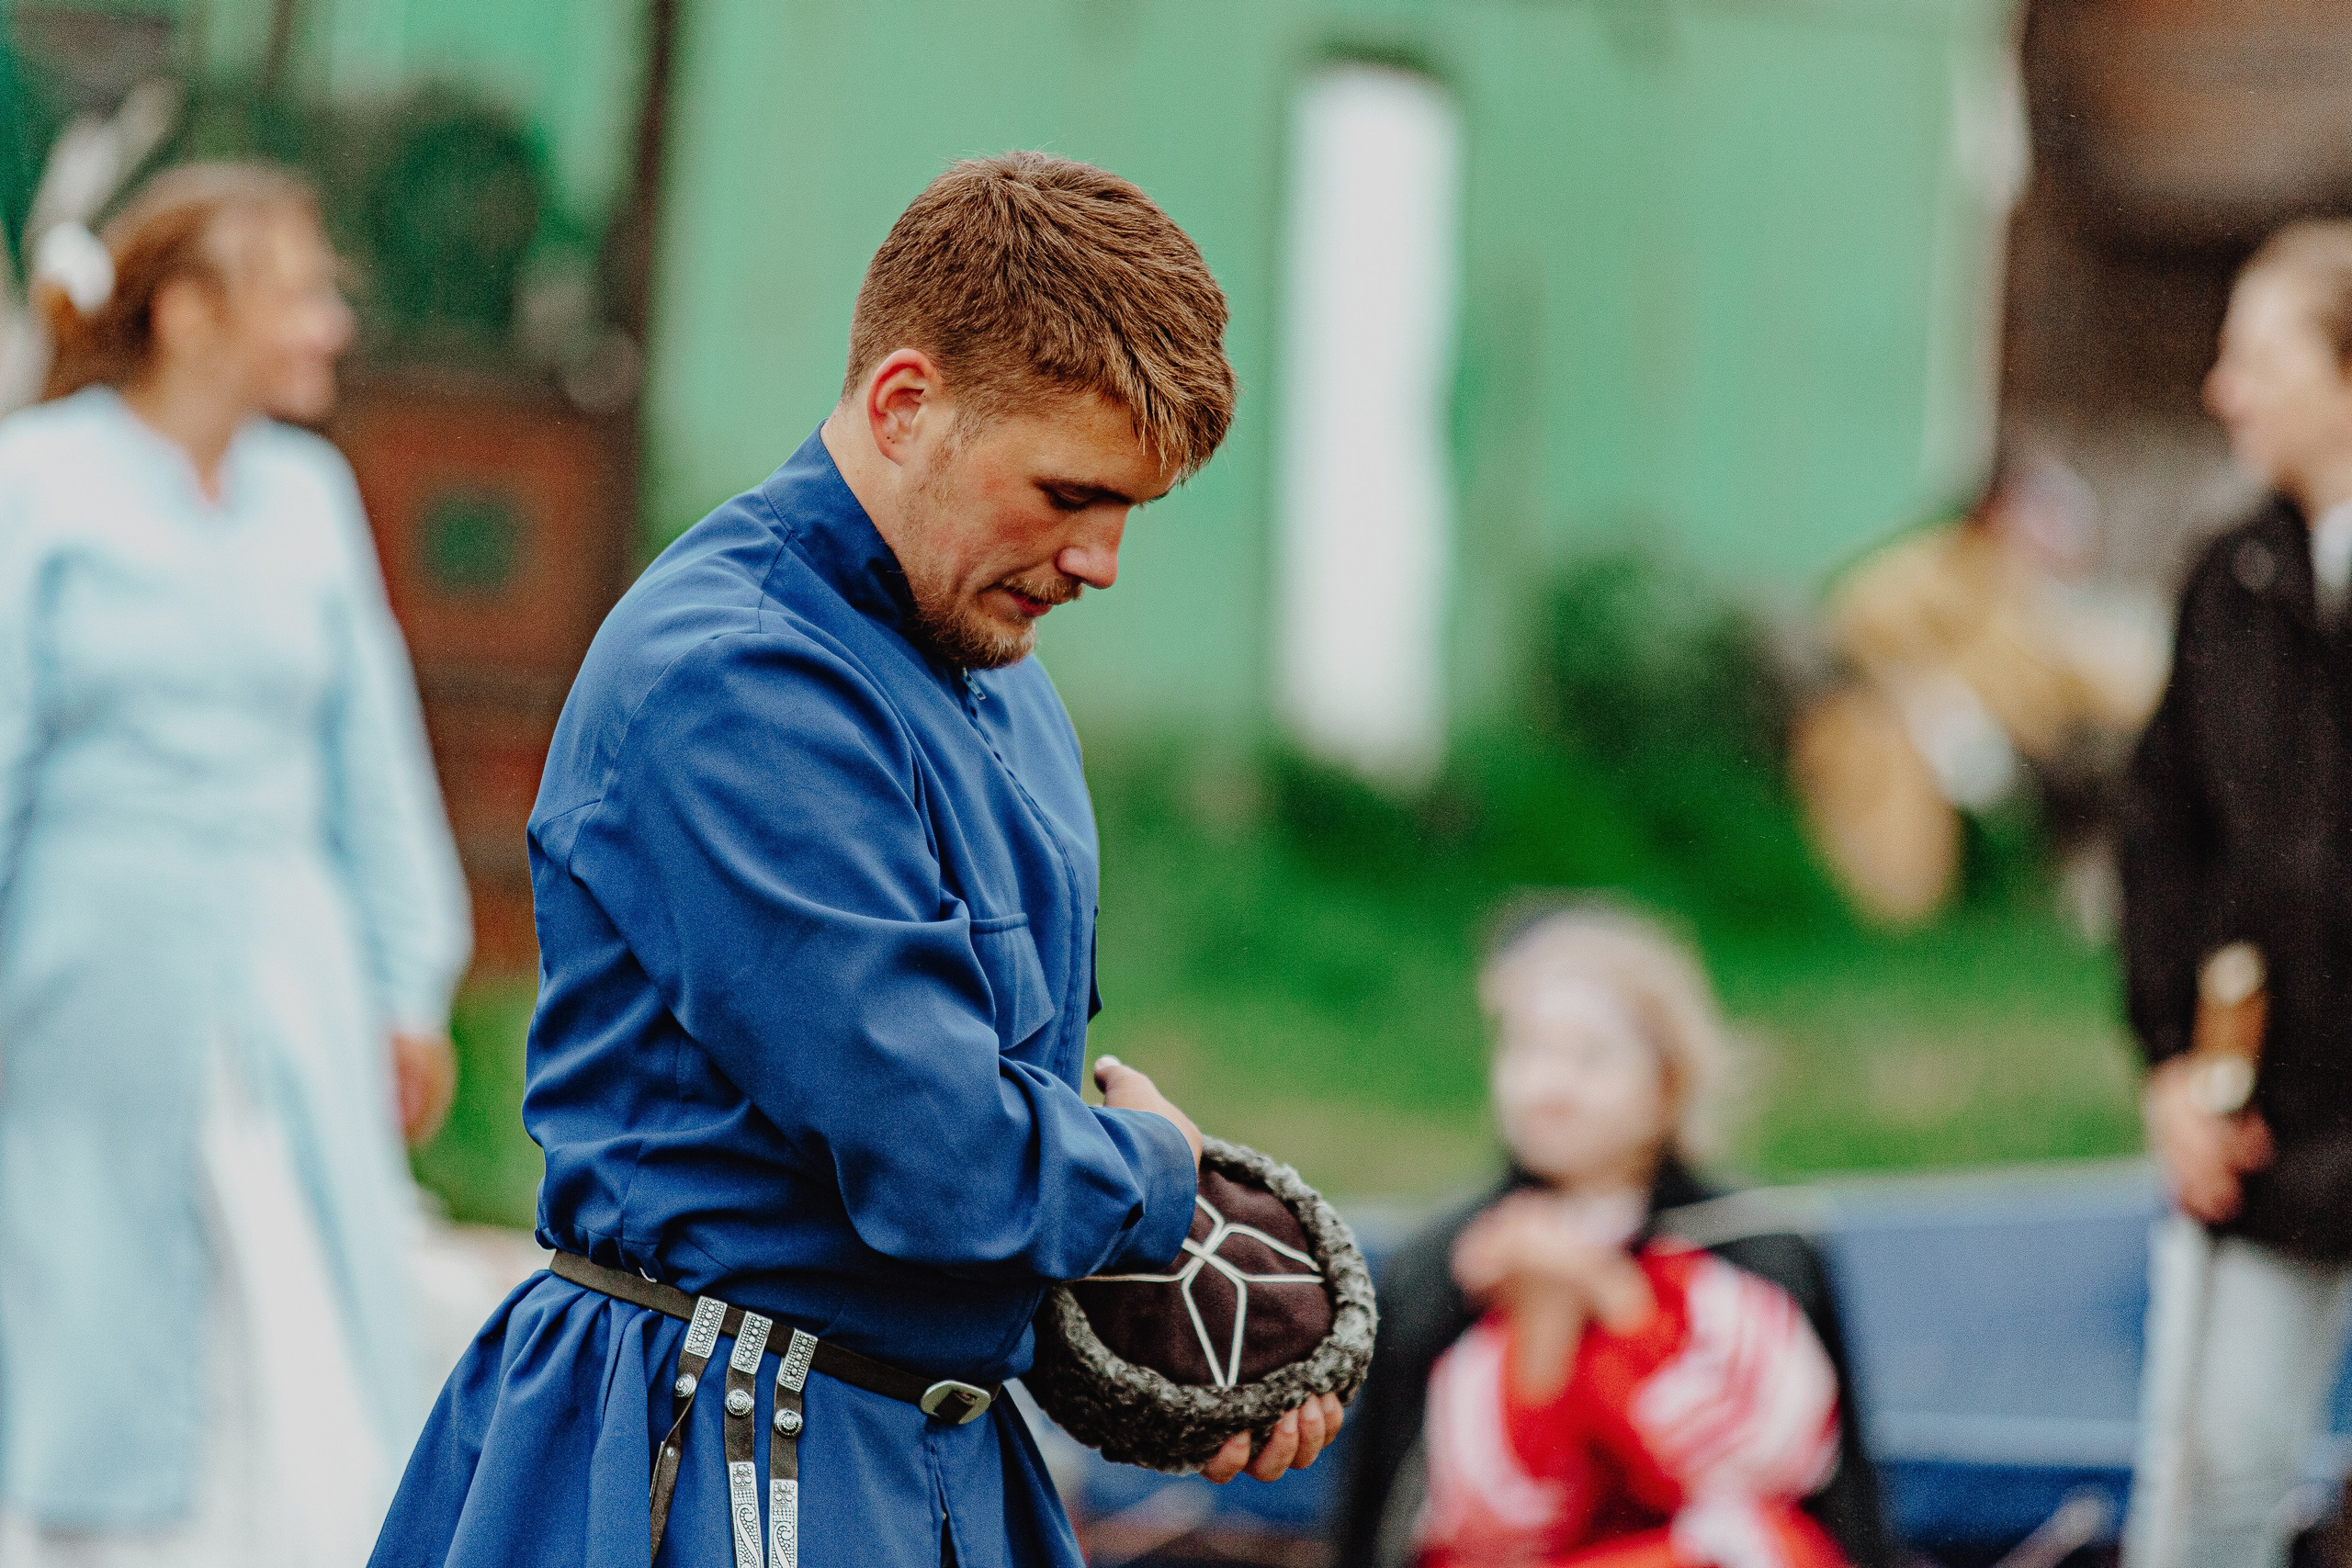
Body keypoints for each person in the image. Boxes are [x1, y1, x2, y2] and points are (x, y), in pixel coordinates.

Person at [369, 152, 1343, 1568]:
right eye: (1070, 491)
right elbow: (938, 1147)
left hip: (931, 1448)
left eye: (1130, 508)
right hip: (719, 1448)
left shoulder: (989, 657)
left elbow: (981, 1121)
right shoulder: (736, 677)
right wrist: (1154, 1181)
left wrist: (1162, 1316)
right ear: (904, 405)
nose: (1102, 559)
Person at [0, 164, 471, 1565]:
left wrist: (407, 983)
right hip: (90, 979)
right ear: (194, 310)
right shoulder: (38, 481)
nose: (332, 324)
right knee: (91, 1291)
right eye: (304, 292)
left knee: (299, 1278)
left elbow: (370, 758)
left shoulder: (309, 495)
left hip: (292, 974)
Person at [1334, 903, 1891, 1568]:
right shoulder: (1440, 1266)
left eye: (1591, 1057)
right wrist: (1544, 1313)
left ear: (1667, 1083)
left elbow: (1779, 1468)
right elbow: (1456, 1523)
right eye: (1528, 1050)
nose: (1549, 1086)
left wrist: (1607, 1292)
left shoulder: (1759, 1244)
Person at [2120, 220, 2352, 1568]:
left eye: (2256, 353)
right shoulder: (2234, 578)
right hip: (2261, 1132)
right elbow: (2165, 835)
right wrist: (2168, 1065)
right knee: (2211, 1483)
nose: (2223, 389)